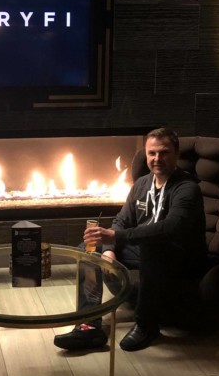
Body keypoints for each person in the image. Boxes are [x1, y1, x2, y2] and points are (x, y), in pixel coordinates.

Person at [54, 127, 206, 352]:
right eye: (152, 153)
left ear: (176, 154)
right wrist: (109, 248)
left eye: (164, 152)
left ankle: (147, 325)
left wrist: (116, 236)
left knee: (153, 246)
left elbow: (170, 229)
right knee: (88, 248)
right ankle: (89, 325)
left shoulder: (187, 188)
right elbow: (121, 220)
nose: (157, 159)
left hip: (180, 255)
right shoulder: (142, 184)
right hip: (146, 250)